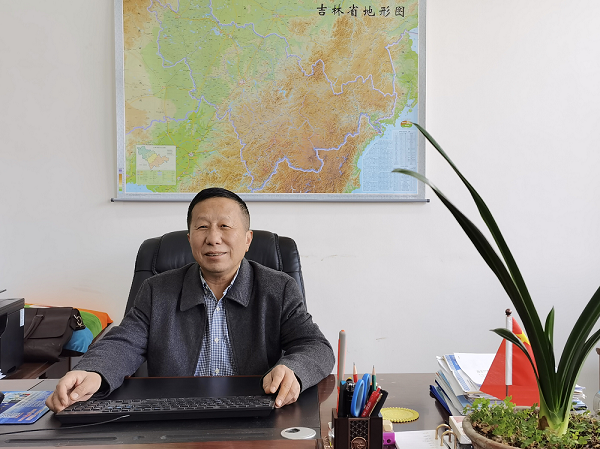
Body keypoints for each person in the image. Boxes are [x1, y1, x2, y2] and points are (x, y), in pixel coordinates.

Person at [46, 188, 334, 412]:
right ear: (189, 239)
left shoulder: (278, 288)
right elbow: (124, 343)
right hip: (174, 414)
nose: (213, 238)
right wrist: (93, 372)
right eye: (202, 227)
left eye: (225, 226)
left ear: (247, 239)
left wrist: (293, 370)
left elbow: (315, 346)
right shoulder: (157, 290)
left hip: (256, 412)